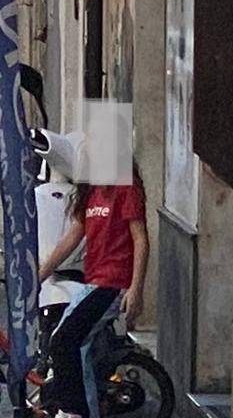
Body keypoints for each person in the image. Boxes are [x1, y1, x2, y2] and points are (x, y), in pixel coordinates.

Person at [36, 166, 149, 417]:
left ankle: (74, 411)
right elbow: (72, 236)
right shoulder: (90, 189)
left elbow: (140, 238)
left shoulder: (125, 187)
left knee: (65, 341)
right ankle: (79, 409)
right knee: (73, 348)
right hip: (92, 282)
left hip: (113, 282)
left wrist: (136, 288)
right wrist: (40, 275)